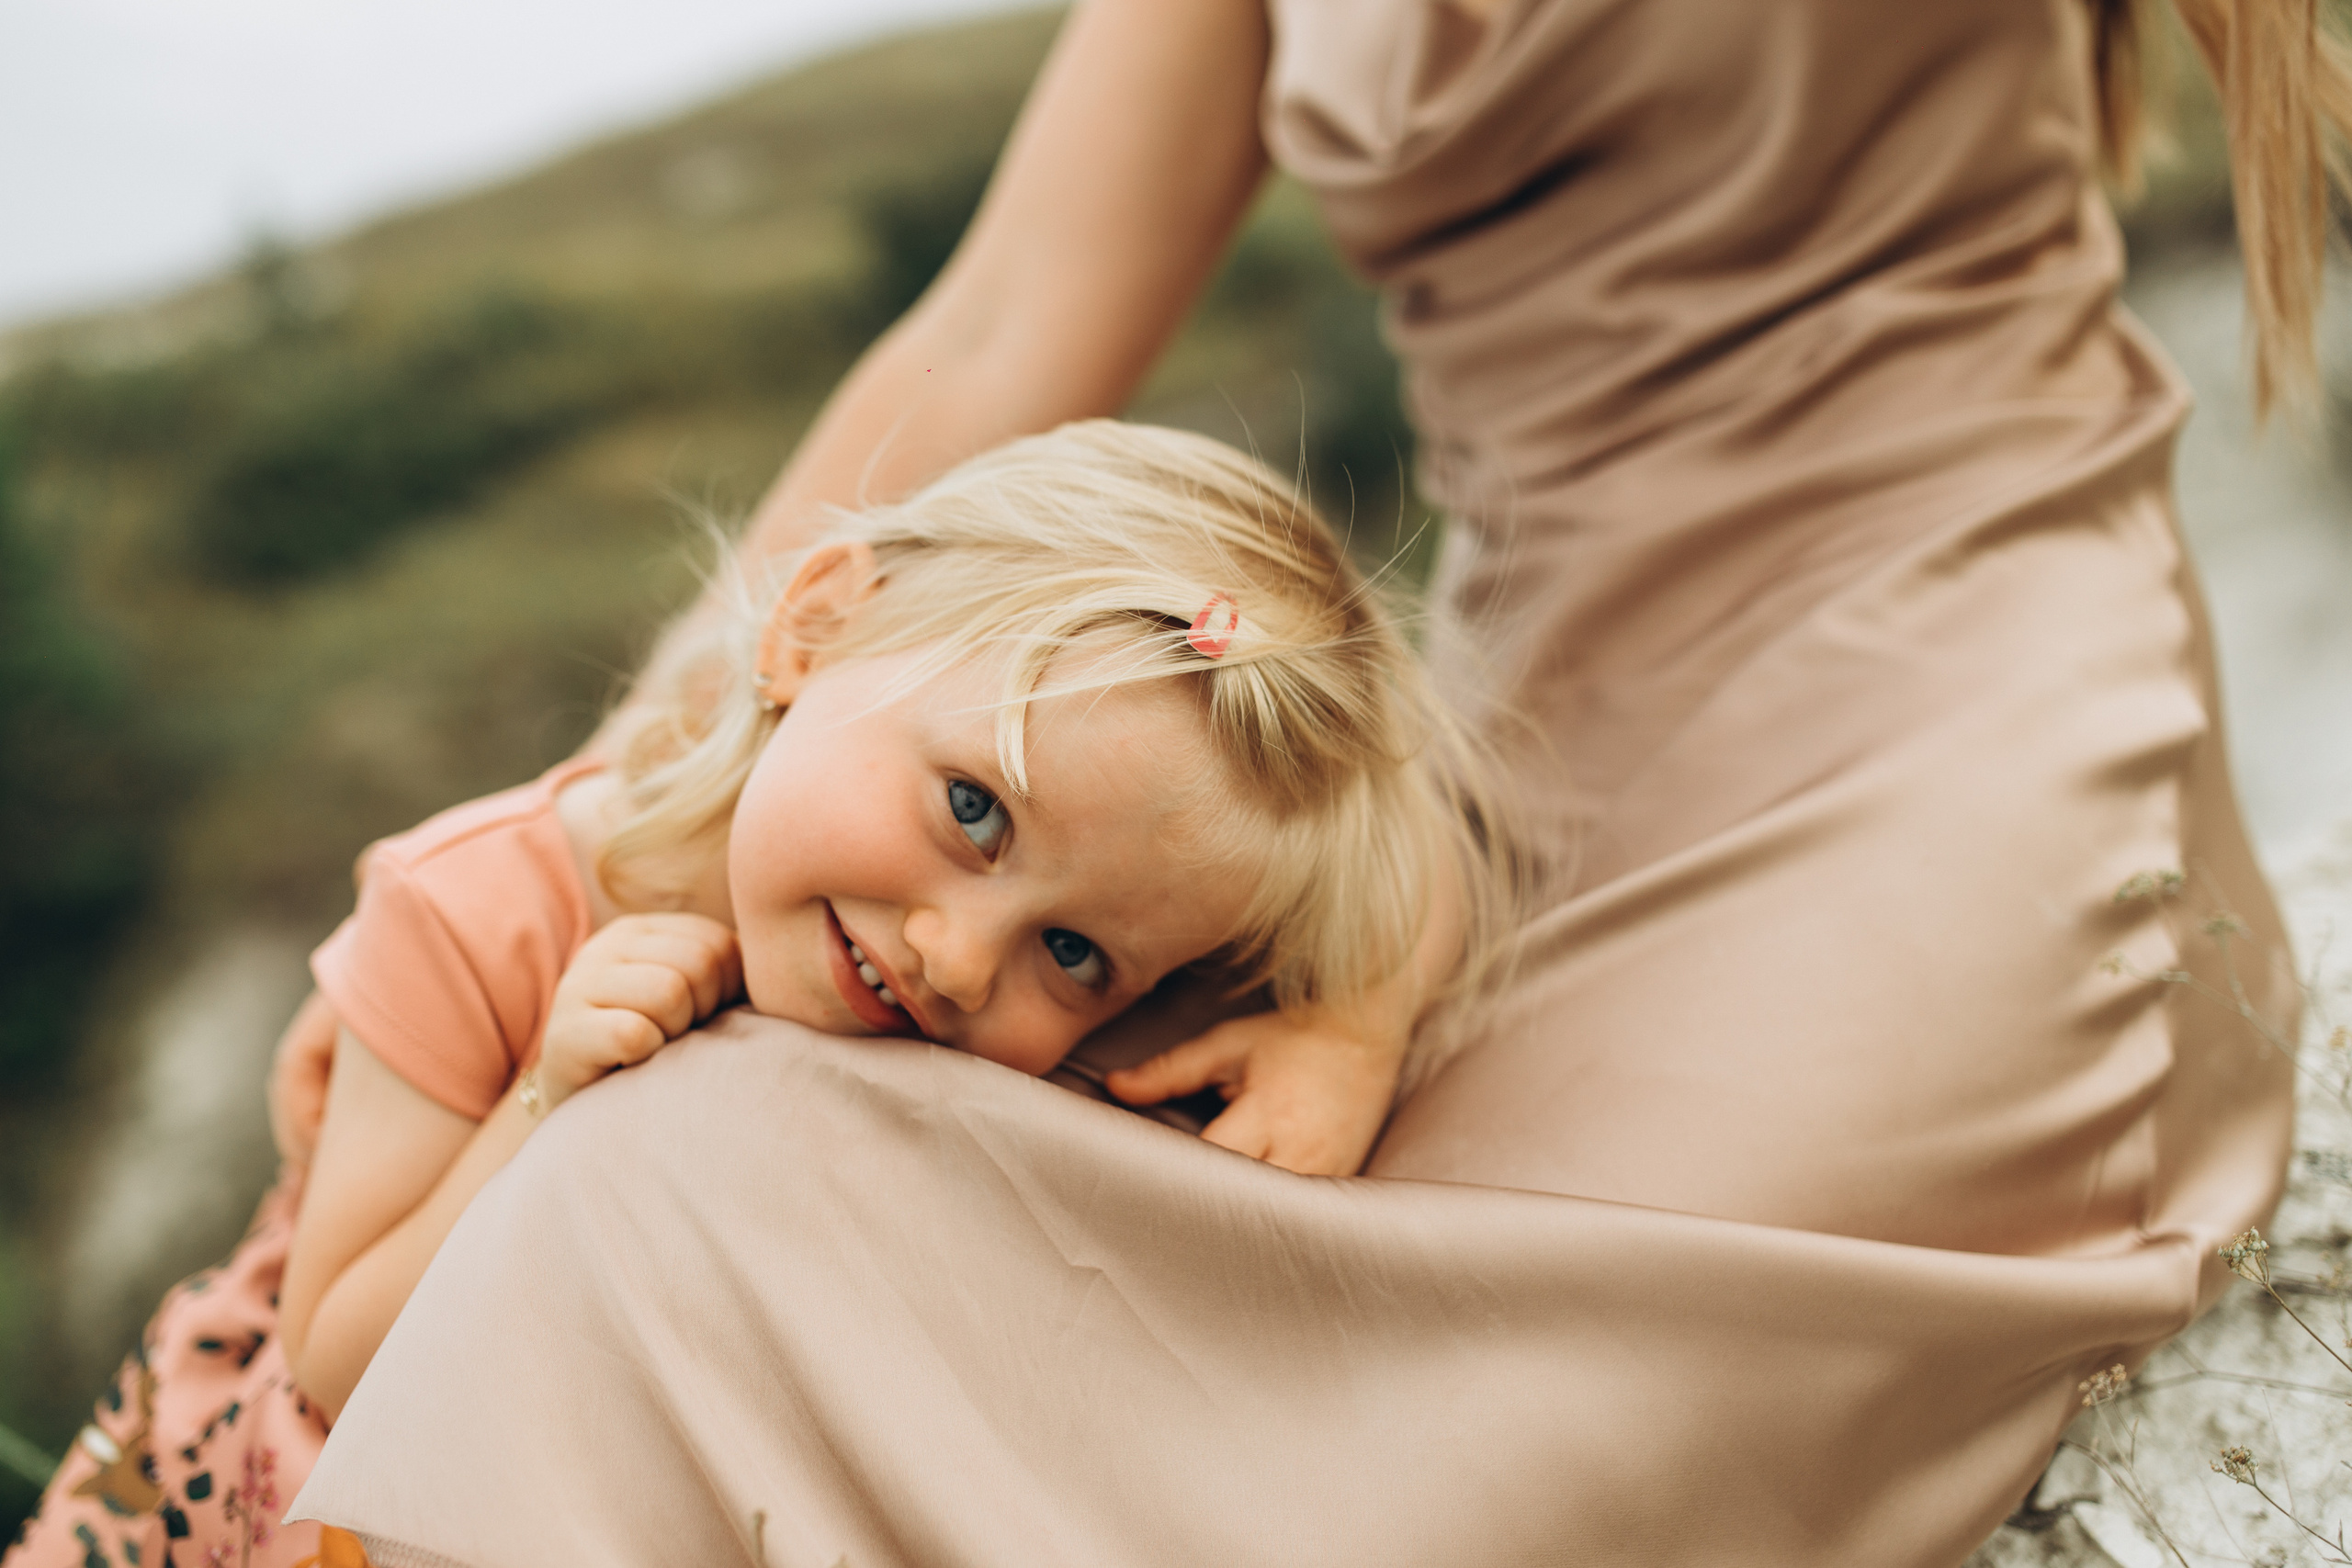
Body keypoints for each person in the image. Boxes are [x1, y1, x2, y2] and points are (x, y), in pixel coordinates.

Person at [277, 0, 2343, 1562]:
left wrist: (1366, 997)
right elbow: (1000, 326)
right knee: (684, 1158)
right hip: (1483, 758)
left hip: (1946, 689)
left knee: (1536, 1428)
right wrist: (594, 824)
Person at [4, 422, 1505, 1568]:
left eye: (1075, 955)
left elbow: (1415, 846)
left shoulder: (1089, 933)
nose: (958, 959)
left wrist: (1354, 1024)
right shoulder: (474, 906)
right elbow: (332, 1353)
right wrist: (549, 1105)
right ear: (813, 630)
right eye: (975, 809)